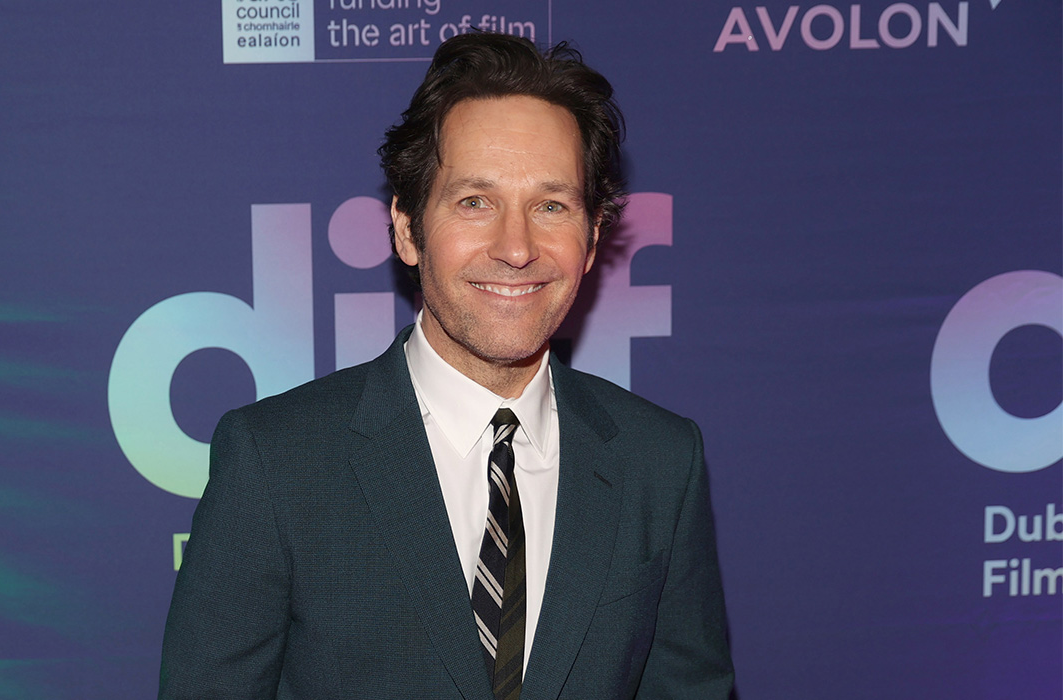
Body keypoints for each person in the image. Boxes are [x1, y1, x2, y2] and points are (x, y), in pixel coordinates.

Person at [159, 32, 734, 700]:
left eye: (551, 205)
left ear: (592, 238)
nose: (516, 248)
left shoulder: (660, 461)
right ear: (407, 229)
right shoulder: (276, 461)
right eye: (474, 202)